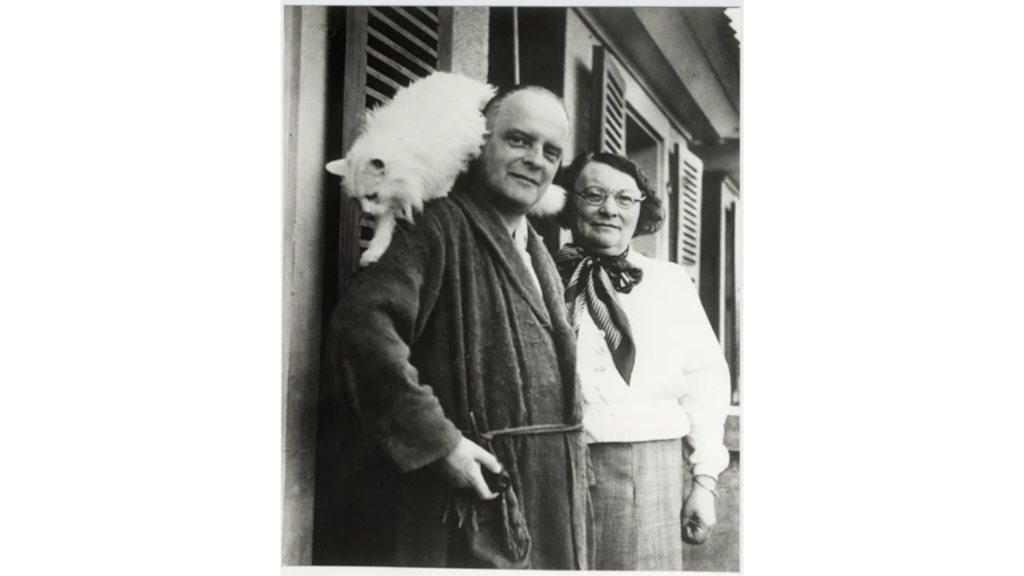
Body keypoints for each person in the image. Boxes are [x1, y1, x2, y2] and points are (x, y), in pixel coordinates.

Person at [322, 86, 590, 569]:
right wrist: (440, 444)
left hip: (544, 499)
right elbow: (360, 331)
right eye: (519, 141)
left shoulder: (536, 248)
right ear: (480, 142)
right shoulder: (435, 225)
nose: (536, 160)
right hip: (465, 508)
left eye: (551, 151)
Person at [554, 151, 731, 571]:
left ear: (641, 209)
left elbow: (706, 380)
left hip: (646, 469)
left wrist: (705, 481)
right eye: (594, 194)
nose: (609, 210)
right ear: (567, 201)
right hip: (550, 464)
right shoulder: (539, 273)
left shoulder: (669, 282)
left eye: (625, 199)